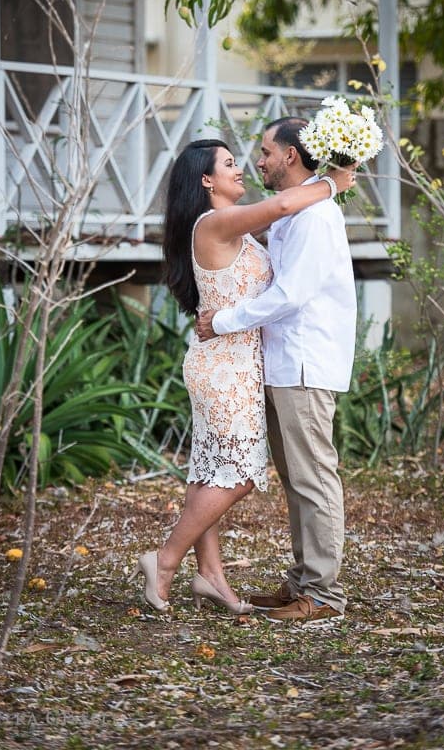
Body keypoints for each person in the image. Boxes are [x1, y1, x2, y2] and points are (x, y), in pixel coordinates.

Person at [129, 138, 355, 615]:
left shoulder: (232, 228)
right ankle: (165, 560)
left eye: (251, 156)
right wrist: (332, 183)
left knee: (211, 470)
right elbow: (285, 202)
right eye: (229, 163)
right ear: (206, 180)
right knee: (239, 476)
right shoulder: (217, 221)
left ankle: (210, 575)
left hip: (233, 361)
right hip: (224, 364)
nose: (244, 167)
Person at [196, 118, 357, 623]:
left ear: (290, 155)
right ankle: (304, 582)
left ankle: (324, 596)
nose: (258, 160)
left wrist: (221, 321)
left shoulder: (315, 215)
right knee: (297, 479)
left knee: (313, 478)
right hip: (286, 361)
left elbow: (290, 296)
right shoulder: (296, 211)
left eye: (266, 151)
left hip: (306, 362)